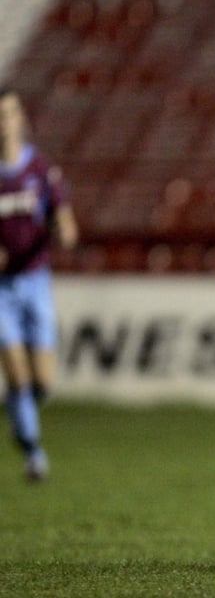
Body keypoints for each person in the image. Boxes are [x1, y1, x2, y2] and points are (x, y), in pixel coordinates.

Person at [0, 86, 78, 482]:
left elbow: (63, 218)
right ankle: (32, 449)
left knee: (42, 381)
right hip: (0, 290)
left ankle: (18, 409)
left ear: (20, 119)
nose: (3, 123)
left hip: (34, 281)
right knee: (17, 372)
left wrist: (64, 230)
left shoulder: (40, 170)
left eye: (9, 114)